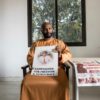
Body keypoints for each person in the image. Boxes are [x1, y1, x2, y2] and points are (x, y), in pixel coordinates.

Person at [20, 21, 72, 100]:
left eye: (49, 28)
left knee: (62, 84)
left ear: (52, 30)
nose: (48, 31)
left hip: (57, 69)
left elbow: (68, 54)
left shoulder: (59, 43)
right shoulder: (36, 44)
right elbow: (29, 57)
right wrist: (37, 62)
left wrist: (60, 55)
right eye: (45, 29)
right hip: (38, 70)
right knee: (26, 83)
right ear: (42, 31)